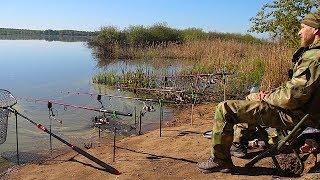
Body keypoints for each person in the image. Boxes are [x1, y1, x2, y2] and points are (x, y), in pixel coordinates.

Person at [197, 9, 320, 173]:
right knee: (251, 96)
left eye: (303, 27)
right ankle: (240, 142)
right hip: (304, 112)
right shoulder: (313, 55)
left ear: (316, 30)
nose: (299, 32)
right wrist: (270, 94)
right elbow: (298, 89)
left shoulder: (314, 57)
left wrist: (268, 97)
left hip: (296, 116)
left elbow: (292, 96)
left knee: (224, 108)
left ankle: (220, 160)